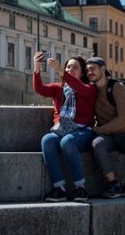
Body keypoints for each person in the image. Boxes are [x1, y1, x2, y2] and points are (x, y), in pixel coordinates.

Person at [33, 52, 96, 202]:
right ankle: (59, 188)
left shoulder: (88, 88)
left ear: (82, 73)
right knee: (47, 140)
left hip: (81, 131)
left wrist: (60, 71)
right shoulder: (58, 88)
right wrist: (36, 68)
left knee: (67, 141)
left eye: (75, 68)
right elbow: (39, 89)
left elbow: (78, 87)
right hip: (61, 129)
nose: (70, 70)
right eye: (68, 67)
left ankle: (81, 188)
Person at [86, 57, 125, 199]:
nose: (89, 72)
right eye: (88, 69)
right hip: (107, 137)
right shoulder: (91, 90)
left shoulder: (116, 87)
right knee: (97, 144)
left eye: (93, 68)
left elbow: (123, 119)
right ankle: (112, 183)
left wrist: (98, 130)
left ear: (103, 69)